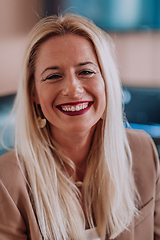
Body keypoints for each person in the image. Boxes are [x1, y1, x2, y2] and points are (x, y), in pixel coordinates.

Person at [0, 13, 159, 240]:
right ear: (33, 92)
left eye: (86, 71)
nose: (73, 90)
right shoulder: (6, 180)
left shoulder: (142, 150)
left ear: (106, 81)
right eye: (53, 76)